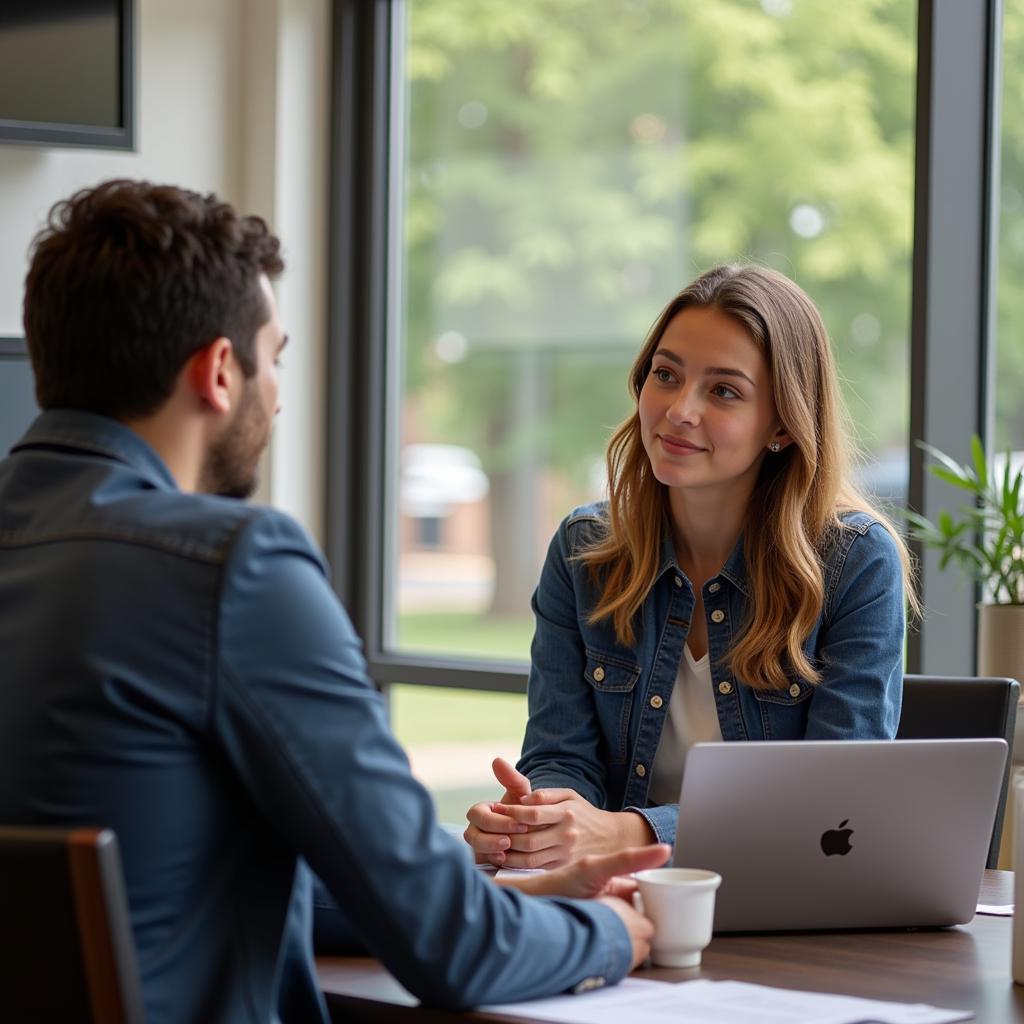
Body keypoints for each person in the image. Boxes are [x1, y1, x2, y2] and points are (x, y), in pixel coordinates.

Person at [0, 179, 669, 1024]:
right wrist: (608, 930)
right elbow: (452, 951)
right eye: (273, 357)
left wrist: (521, 895)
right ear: (218, 372)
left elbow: (191, 880)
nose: (276, 393)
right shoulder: (230, 568)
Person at [465, 264, 917, 870]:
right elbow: (561, 754)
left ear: (782, 423)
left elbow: (829, 799)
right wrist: (543, 818)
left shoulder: (854, 562)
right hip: (621, 898)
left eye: (723, 390)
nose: (679, 410)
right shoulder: (583, 551)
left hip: (780, 902)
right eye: (666, 374)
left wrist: (630, 834)